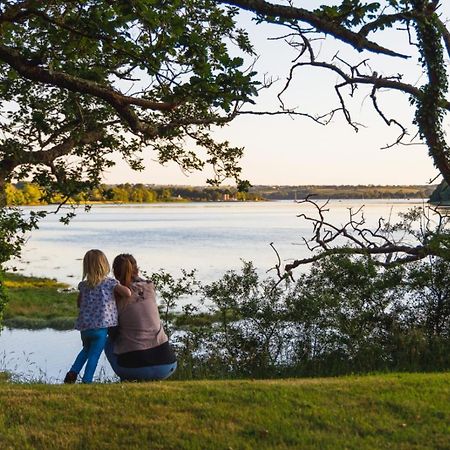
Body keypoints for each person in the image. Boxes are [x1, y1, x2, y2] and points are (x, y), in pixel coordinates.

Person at [105, 254, 177, 381]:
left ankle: (127, 380)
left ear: (115, 273)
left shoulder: (115, 295)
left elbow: (112, 332)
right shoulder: (150, 287)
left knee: (107, 343)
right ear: (137, 270)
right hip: (167, 364)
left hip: (133, 368)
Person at [64, 249, 131, 384]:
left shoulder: (83, 285)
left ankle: (73, 372)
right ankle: (87, 380)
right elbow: (127, 293)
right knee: (94, 355)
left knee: (86, 350)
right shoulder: (109, 283)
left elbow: (79, 303)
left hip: (85, 328)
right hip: (101, 328)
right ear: (104, 265)